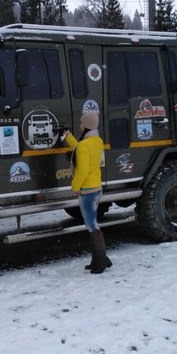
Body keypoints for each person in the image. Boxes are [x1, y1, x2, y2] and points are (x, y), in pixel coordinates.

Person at [61, 111, 112, 274]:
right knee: (93, 225)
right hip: (96, 188)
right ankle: (98, 259)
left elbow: (82, 170)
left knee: (92, 227)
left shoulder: (85, 145)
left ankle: (101, 262)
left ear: (86, 125)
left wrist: (75, 187)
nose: (80, 125)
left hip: (87, 192)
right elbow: (80, 148)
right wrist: (69, 137)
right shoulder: (96, 141)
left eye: (82, 123)